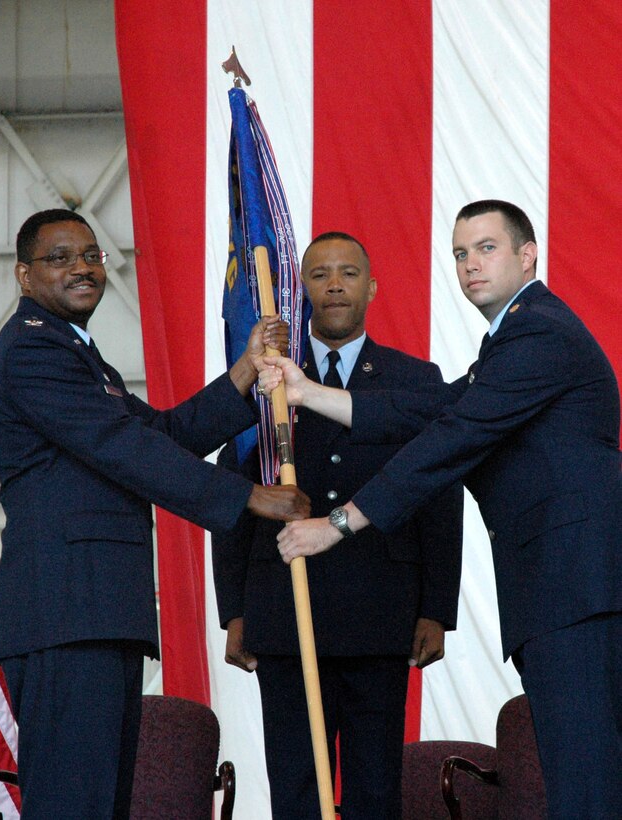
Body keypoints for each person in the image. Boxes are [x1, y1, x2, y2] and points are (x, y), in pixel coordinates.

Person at [264, 201, 622, 819]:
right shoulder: (512, 339)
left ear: (528, 254)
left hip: (577, 586)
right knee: (581, 771)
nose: (470, 265)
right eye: (460, 253)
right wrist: (308, 393)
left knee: (586, 776)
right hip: (563, 588)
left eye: (487, 248)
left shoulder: (538, 331)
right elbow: (431, 411)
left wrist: (339, 523)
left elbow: (450, 438)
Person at [0, 208, 310, 819]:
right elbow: (123, 447)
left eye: (91, 255)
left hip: (98, 612)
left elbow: (161, 432)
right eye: (60, 258)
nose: (82, 267)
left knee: (101, 803)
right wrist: (245, 496)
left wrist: (243, 370)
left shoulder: (79, 356)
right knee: (71, 804)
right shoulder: (32, 351)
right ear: (24, 276)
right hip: (66, 612)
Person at [212, 232, 463, 819]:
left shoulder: (415, 380)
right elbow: (232, 498)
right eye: (319, 274)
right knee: (296, 787)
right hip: (281, 611)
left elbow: (438, 497)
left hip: (381, 611)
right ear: (301, 291)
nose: (333, 285)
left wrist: (436, 608)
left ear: (371, 287)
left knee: (376, 789)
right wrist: (235, 611)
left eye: (348, 273)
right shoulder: (266, 378)